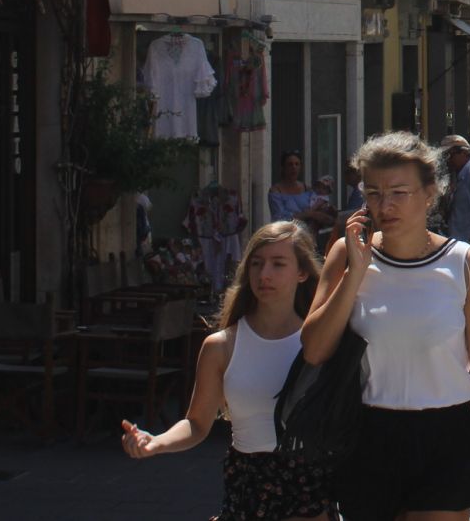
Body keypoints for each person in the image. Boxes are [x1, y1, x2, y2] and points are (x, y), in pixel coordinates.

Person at [297, 132, 470, 521]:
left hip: (446, 436)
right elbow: (315, 349)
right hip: (367, 435)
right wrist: (355, 273)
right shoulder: (345, 254)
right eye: (373, 194)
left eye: (399, 192)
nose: (385, 205)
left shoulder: (464, 264)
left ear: (430, 192)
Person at [120, 221, 330, 521]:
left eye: (278, 263)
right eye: (256, 264)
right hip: (246, 482)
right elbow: (196, 423)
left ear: (302, 272)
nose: (264, 274)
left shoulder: (319, 341)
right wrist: (155, 442)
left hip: (308, 482)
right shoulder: (222, 346)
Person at [269, 151, 335, 239]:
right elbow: (279, 218)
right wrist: (309, 214)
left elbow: (319, 206)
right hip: (286, 236)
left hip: (308, 236)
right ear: (283, 167)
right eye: (290, 164)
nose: (294, 167)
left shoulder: (307, 189)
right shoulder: (276, 191)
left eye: (297, 164)